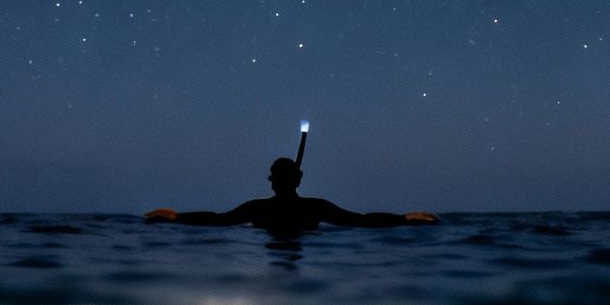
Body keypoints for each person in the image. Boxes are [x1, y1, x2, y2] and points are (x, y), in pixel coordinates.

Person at [144, 127, 438, 236]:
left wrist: (404, 218)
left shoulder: (271, 208)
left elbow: (361, 221)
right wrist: (176, 217)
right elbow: (361, 221)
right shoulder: (302, 207)